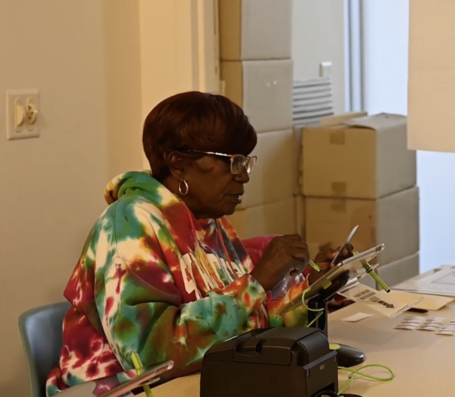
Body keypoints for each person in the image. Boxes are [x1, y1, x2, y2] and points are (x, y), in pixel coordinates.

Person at [46, 92, 350, 395]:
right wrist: (257, 281)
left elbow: (248, 323)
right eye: (233, 162)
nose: (244, 177)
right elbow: (152, 356)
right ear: (179, 164)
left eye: (246, 162)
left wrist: (310, 291)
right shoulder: (129, 225)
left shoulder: (209, 223)